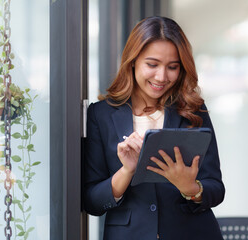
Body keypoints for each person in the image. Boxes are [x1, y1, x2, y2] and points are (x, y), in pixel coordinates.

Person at [84, 16, 225, 240]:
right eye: (152, 64)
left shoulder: (192, 110)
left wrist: (190, 188)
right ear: (132, 61)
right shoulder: (100, 114)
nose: (162, 77)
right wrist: (127, 171)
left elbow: (216, 188)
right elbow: (92, 201)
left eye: (172, 67)